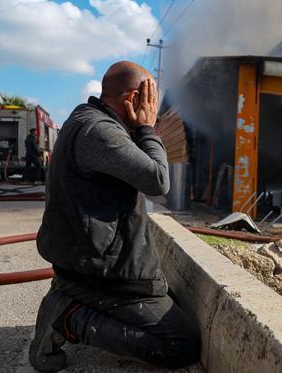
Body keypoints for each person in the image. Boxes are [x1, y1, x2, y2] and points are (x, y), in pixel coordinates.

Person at [30, 61, 200, 372]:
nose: (154, 111)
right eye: (150, 102)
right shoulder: (100, 132)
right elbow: (158, 180)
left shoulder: (87, 120)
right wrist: (148, 129)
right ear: (133, 99)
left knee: (170, 299)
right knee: (182, 344)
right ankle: (70, 319)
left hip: (88, 261)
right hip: (102, 272)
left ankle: (72, 301)